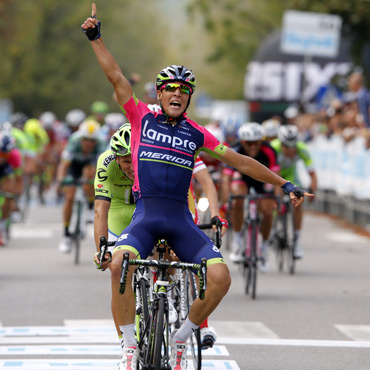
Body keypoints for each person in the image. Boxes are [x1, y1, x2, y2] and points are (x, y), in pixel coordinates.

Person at [81, 5, 312, 369]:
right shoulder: (140, 116)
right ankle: (128, 345)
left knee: (220, 277)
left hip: (180, 220)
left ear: (189, 97)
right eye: (170, 88)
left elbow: (241, 162)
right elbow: (116, 76)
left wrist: (285, 184)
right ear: (159, 94)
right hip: (145, 216)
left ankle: (181, 336)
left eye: (183, 90)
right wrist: (96, 38)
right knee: (119, 265)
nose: (176, 94)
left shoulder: (196, 134)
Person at [223, 122, 280, 269]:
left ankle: (265, 247)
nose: (253, 147)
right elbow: (226, 178)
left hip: (262, 180)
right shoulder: (235, 149)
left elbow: (276, 176)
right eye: (249, 144)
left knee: (268, 212)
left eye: (256, 143)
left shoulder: (269, 150)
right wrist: (227, 199)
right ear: (242, 142)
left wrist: (276, 196)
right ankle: (237, 240)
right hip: (242, 179)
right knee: (238, 198)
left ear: (261, 141)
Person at [57, 119, 105, 253]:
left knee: (91, 175)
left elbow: (102, 168)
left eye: (92, 141)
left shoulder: (101, 144)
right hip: (74, 166)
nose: (88, 143)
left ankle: (90, 206)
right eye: (85, 140)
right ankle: (66, 234)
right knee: (69, 196)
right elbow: (64, 164)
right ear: (81, 138)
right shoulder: (73, 141)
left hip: (89, 165)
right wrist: (61, 179)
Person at [270, 125, 317, 258]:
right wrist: (276, 194)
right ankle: (272, 226)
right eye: (286, 146)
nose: (290, 150)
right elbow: (273, 172)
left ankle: (296, 240)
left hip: (291, 177)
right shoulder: (273, 147)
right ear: (281, 143)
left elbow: (313, 174)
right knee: (274, 200)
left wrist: (313, 190)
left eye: (293, 146)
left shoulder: (302, 149)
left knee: (298, 202)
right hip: (274, 175)